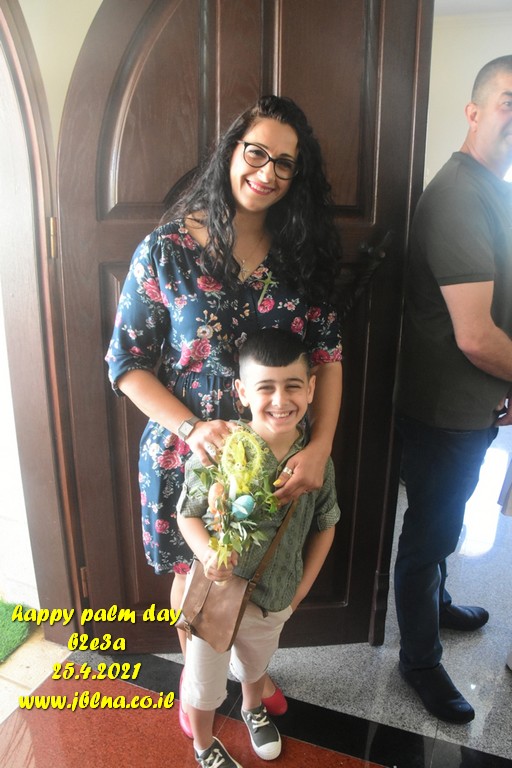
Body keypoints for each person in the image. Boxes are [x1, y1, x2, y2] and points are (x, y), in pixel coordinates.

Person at [105, 95, 343, 719]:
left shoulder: (303, 256)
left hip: (279, 457)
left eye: (285, 164)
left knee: (263, 580)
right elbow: (126, 364)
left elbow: (328, 358)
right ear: (231, 151)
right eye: (256, 153)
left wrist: (319, 449)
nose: (267, 172)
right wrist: (190, 428)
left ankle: (251, 678)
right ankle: (200, 696)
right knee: (196, 585)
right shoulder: (165, 250)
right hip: (189, 458)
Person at [394, 55, 512, 724]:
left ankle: (436, 605)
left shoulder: (492, 187)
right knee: (429, 533)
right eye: (508, 102)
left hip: (470, 404)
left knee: (441, 525)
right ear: (474, 111)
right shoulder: (461, 194)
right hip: (442, 410)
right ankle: (419, 662)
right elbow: (475, 336)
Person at [176, 328, 341, 768]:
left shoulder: (315, 459)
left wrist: (301, 590)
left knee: (256, 662)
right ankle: (204, 744)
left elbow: (327, 523)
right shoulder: (222, 448)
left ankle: (253, 707)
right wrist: (207, 553)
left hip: (275, 594)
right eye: (265, 387)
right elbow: (187, 513)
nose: (280, 400)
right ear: (242, 392)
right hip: (215, 594)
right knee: (204, 681)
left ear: (311, 389)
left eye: (293, 386)